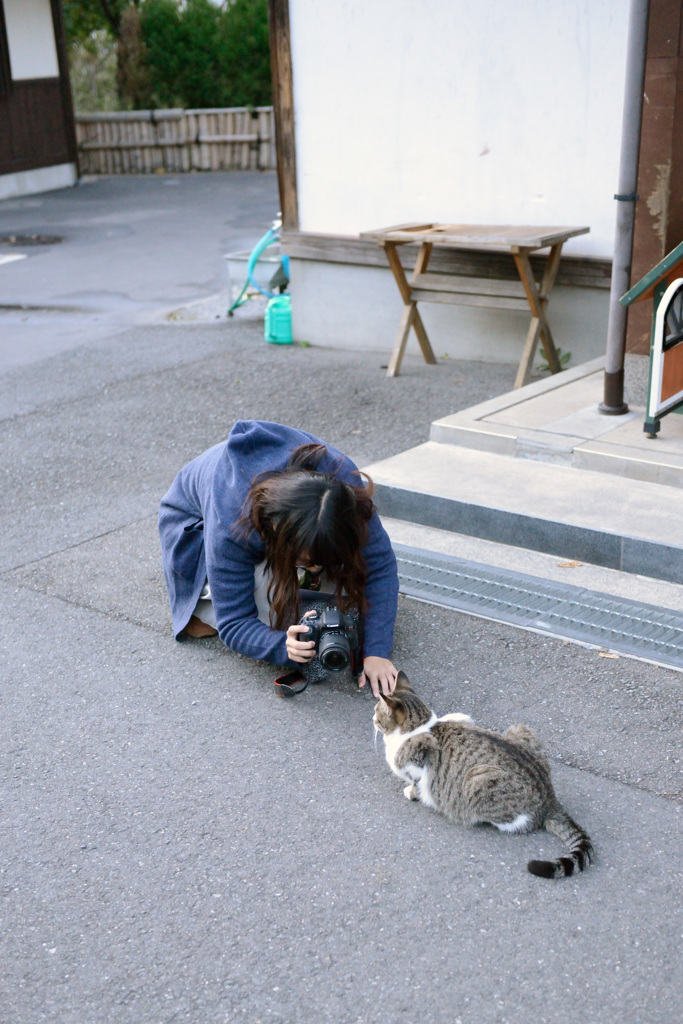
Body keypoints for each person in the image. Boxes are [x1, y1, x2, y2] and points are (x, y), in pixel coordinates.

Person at [158, 420, 399, 697]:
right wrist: (282, 647)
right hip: (193, 529)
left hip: (277, 525)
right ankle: (199, 602)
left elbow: (380, 565)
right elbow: (235, 622)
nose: (312, 567)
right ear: (275, 534)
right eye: (305, 560)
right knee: (270, 610)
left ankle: (308, 586)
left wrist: (377, 651)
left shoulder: (343, 485)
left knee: (343, 580)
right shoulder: (231, 520)